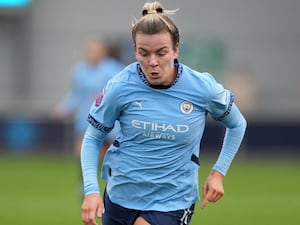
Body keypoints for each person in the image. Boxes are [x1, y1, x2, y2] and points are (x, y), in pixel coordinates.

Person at [80, 2, 247, 225]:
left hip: (173, 200)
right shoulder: (120, 86)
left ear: (176, 49)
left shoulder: (201, 87)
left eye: (161, 52)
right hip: (120, 197)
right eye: (144, 53)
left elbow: (237, 124)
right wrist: (91, 191)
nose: (153, 63)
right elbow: (92, 137)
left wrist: (218, 172)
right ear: (134, 50)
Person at [52, 37, 123, 157]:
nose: (92, 53)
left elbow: (119, 93)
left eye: (95, 50)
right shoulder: (80, 70)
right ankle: (85, 176)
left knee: (109, 156)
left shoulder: (114, 69)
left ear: (103, 51)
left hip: (109, 119)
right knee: (82, 152)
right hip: (86, 118)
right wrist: (63, 108)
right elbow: (76, 94)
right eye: (89, 50)